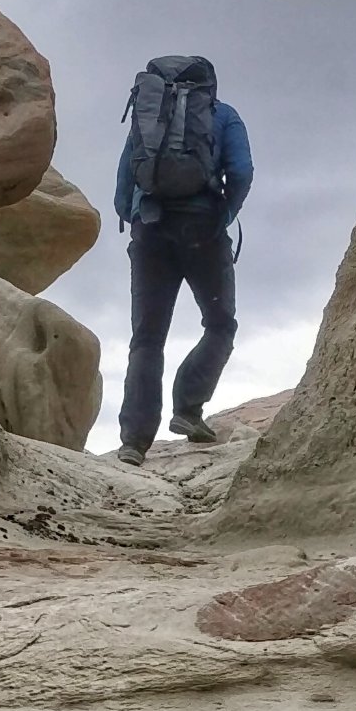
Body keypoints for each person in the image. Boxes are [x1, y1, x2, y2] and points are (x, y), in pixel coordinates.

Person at [111, 53, 251, 462]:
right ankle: (188, 409)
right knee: (220, 323)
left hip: (150, 230)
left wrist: (138, 219)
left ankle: (134, 442)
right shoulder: (224, 115)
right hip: (203, 229)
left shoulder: (148, 117)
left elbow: (123, 183)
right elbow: (241, 170)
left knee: (147, 338)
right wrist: (223, 214)